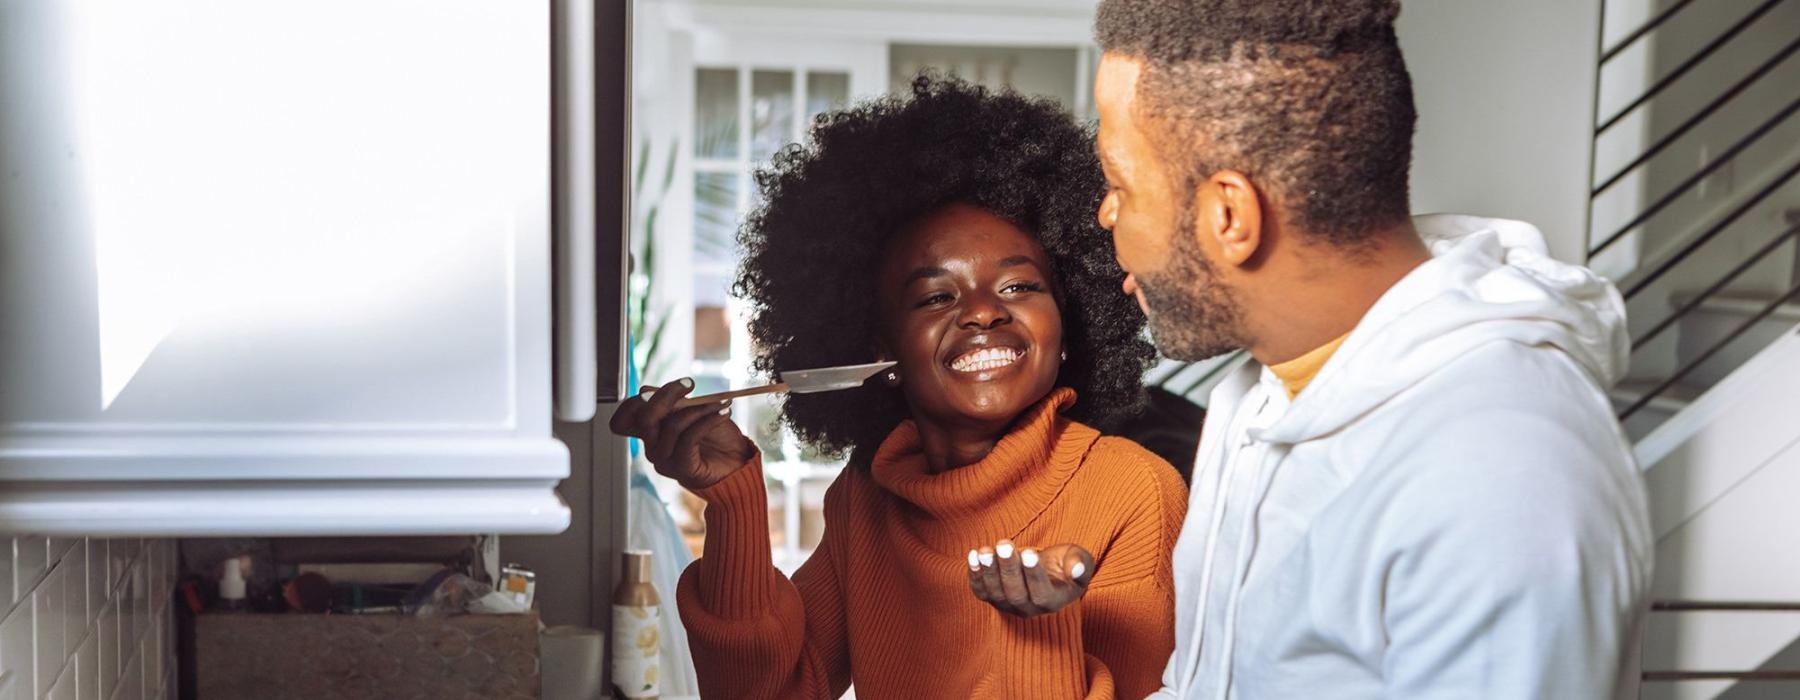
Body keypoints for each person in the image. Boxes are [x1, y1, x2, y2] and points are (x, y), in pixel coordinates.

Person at [1088, 1, 1654, 697]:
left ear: (1228, 216)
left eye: (1119, 184)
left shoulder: (1498, 472)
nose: (1106, 214)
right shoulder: (1260, 397)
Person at [610, 76, 1187, 699]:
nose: (983, 312)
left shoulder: (1134, 492)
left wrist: (1038, 631)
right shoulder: (867, 495)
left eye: (1020, 287)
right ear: (881, 349)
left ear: (1068, 325)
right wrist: (734, 501)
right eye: (937, 296)